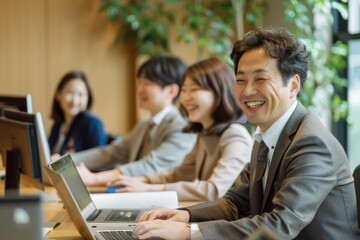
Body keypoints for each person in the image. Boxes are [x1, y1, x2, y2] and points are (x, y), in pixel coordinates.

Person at [131, 28, 360, 239]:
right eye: (240, 80)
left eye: (260, 79)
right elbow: (234, 203)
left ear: (293, 85)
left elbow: (280, 225)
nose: (248, 91)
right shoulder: (266, 135)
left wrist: (189, 232)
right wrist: (184, 216)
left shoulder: (311, 143)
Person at [107, 57, 253, 201]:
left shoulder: (235, 135)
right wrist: (142, 181)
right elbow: (178, 175)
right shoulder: (204, 133)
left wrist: (150, 189)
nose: (186, 97)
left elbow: (213, 190)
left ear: (219, 92)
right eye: (184, 89)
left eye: (194, 89)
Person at [72, 56, 196, 186]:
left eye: (147, 83)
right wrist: (67, 162)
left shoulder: (182, 127)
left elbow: (150, 166)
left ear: (171, 91)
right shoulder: (144, 124)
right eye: (139, 82)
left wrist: (95, 179)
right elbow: (113, 153)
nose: (139, 89)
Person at [48, 71, 107, 155]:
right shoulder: (57, 126)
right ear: (58, 95)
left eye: (80, 94)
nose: (74, 100)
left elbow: (100, 161)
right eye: (70, 92)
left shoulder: (93, 124)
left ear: (88, 98)